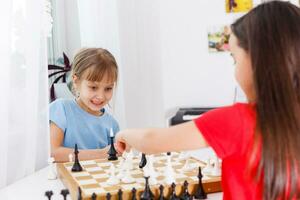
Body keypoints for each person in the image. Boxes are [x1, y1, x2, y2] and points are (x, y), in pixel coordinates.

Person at [115, 1, 300, 199]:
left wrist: (123, 134)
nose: (235, 70)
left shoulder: (236, 121)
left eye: (235, 60)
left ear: (257, 61)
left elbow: (151, 141)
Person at [50, 48, 120, 162]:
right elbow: (53, 153)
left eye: (108, 88)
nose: (101, 96)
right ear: (76, 81)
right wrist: (101, 153)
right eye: (93, 87)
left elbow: (113, 161)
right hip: (64, 178)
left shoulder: (112, 124)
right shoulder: (61, 109)